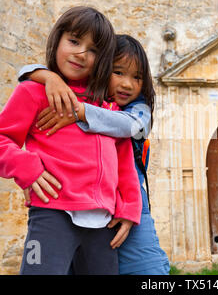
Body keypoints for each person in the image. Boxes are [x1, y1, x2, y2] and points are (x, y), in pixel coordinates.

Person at [0, 6, 142, 275]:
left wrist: (129, 208)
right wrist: (28, 169)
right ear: (57, 40)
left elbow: (124, 165)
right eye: (74, 41)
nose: (81, 53)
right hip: (52, 215)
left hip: (104, 226)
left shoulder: (107, 110)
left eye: (93, 50)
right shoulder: (34, 92)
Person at [18, 34, 170, 275]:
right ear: (100, 69)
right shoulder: (76, 96)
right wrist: (48, 77)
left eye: (137, 77)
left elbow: (133, 126)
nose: (128, 84)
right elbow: (25, 73)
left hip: (128, 201)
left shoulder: (134, 108)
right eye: (118, 73)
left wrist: (81, 113)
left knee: (146, 268)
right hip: (79, 203)